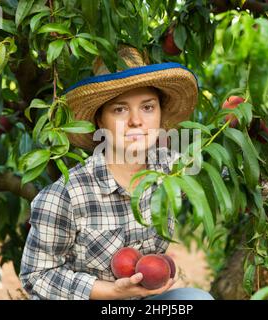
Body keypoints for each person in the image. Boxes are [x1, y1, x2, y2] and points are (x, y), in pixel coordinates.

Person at [19, 45, 214, 300]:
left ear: (159, 114)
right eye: (120, 109)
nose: (136, 120)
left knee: (195, 300)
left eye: (147, 107)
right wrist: (111, 292)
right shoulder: (66, 196)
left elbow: (225, 175)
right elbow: (36, 276)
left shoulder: (170, 169)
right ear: (100, 120)